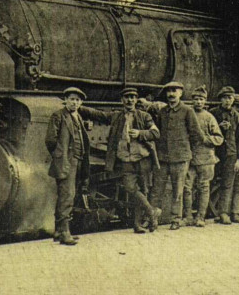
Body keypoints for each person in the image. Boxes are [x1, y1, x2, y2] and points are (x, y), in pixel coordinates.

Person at [46, 87, 111, 245]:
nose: (74, 102)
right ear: (66, 100)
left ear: (81, 102)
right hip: (67, 161)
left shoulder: (77, 117)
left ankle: (58, 230)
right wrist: (60, 155)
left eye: (77, 100)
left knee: (69, 195)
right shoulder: (58, 116)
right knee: (66, 195)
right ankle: (64, 232)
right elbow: (50, 140)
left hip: (79, 160)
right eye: (71, 99)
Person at [104, 87, 161, 234]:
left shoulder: (144, 116)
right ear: (122, 100)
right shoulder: (117, 116)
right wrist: (79, 107)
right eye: (127, 97)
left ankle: (137, 224)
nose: (130, 100)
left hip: (142, 159)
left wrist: (140, 133)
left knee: (143, 190)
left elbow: (155, 133)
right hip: (126, 159)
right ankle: (151, 211)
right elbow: (97, 114)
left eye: (133, 97)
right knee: (131, 188)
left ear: (136, 100)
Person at [150, 81, 202, 230]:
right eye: (169, 91)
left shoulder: (187, 111)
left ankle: (176, 220)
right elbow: (158, 132)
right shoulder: (163, 112)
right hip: (163, 158)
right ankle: (152, 219)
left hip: (180, 158)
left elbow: (196, 134)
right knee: (157, 190)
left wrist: (186, 150)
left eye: (174, 91)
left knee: (177, 191)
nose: (171, 94)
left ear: (180, 93)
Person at [183, 86, 223, 227]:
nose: (198, 102)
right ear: (192, 100)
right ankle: (187, 216)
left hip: (206, 158)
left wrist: (205, 139)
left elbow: (219, 138)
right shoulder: (187, 114)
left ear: (205, 101)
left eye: (201, 99)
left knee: (204, 187)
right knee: (186, 187)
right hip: (189, 157)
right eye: (196, 99)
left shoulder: (209, 117)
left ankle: (201, 217)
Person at [209, 86, 239, 225]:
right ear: (220, 99)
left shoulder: (237, 117)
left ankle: (224, 213)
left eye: (230, 98)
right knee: (209, 182)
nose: (228, 100)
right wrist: (219, 126)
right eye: (225, 98)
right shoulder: (213, 113)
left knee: (227, 184)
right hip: (215, 154)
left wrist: (238, 159)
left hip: (231, 154)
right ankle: (209, 212)